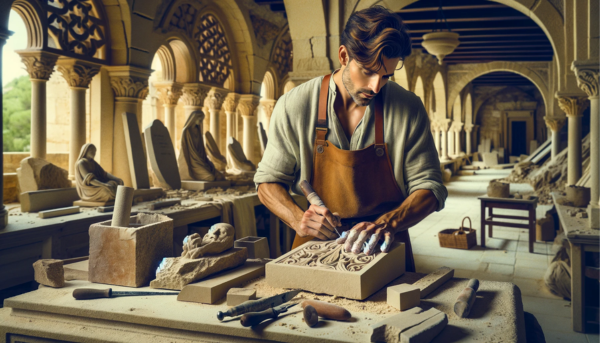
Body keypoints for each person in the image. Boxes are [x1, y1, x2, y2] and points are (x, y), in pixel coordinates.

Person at [254, 6, 447, 272]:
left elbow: (431, 188)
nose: (376, 87)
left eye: (386, 76)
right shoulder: (294, 104)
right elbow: (268, 182)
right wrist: (298, 218)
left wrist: (387, 224)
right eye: (368, 71)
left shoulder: (409, 108)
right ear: (344, 56)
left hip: (383, 246)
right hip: (315, 246)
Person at [178, 110, 225, 181]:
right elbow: (184, 150)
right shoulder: (186, 131)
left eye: (202, 120)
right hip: (194, 163)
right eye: (199, 120)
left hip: (202, 160)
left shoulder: (198, 130)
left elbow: (201, 148)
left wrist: (205, 160)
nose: (201, 122)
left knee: (220, 176)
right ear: (194, 119)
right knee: (210, 177)